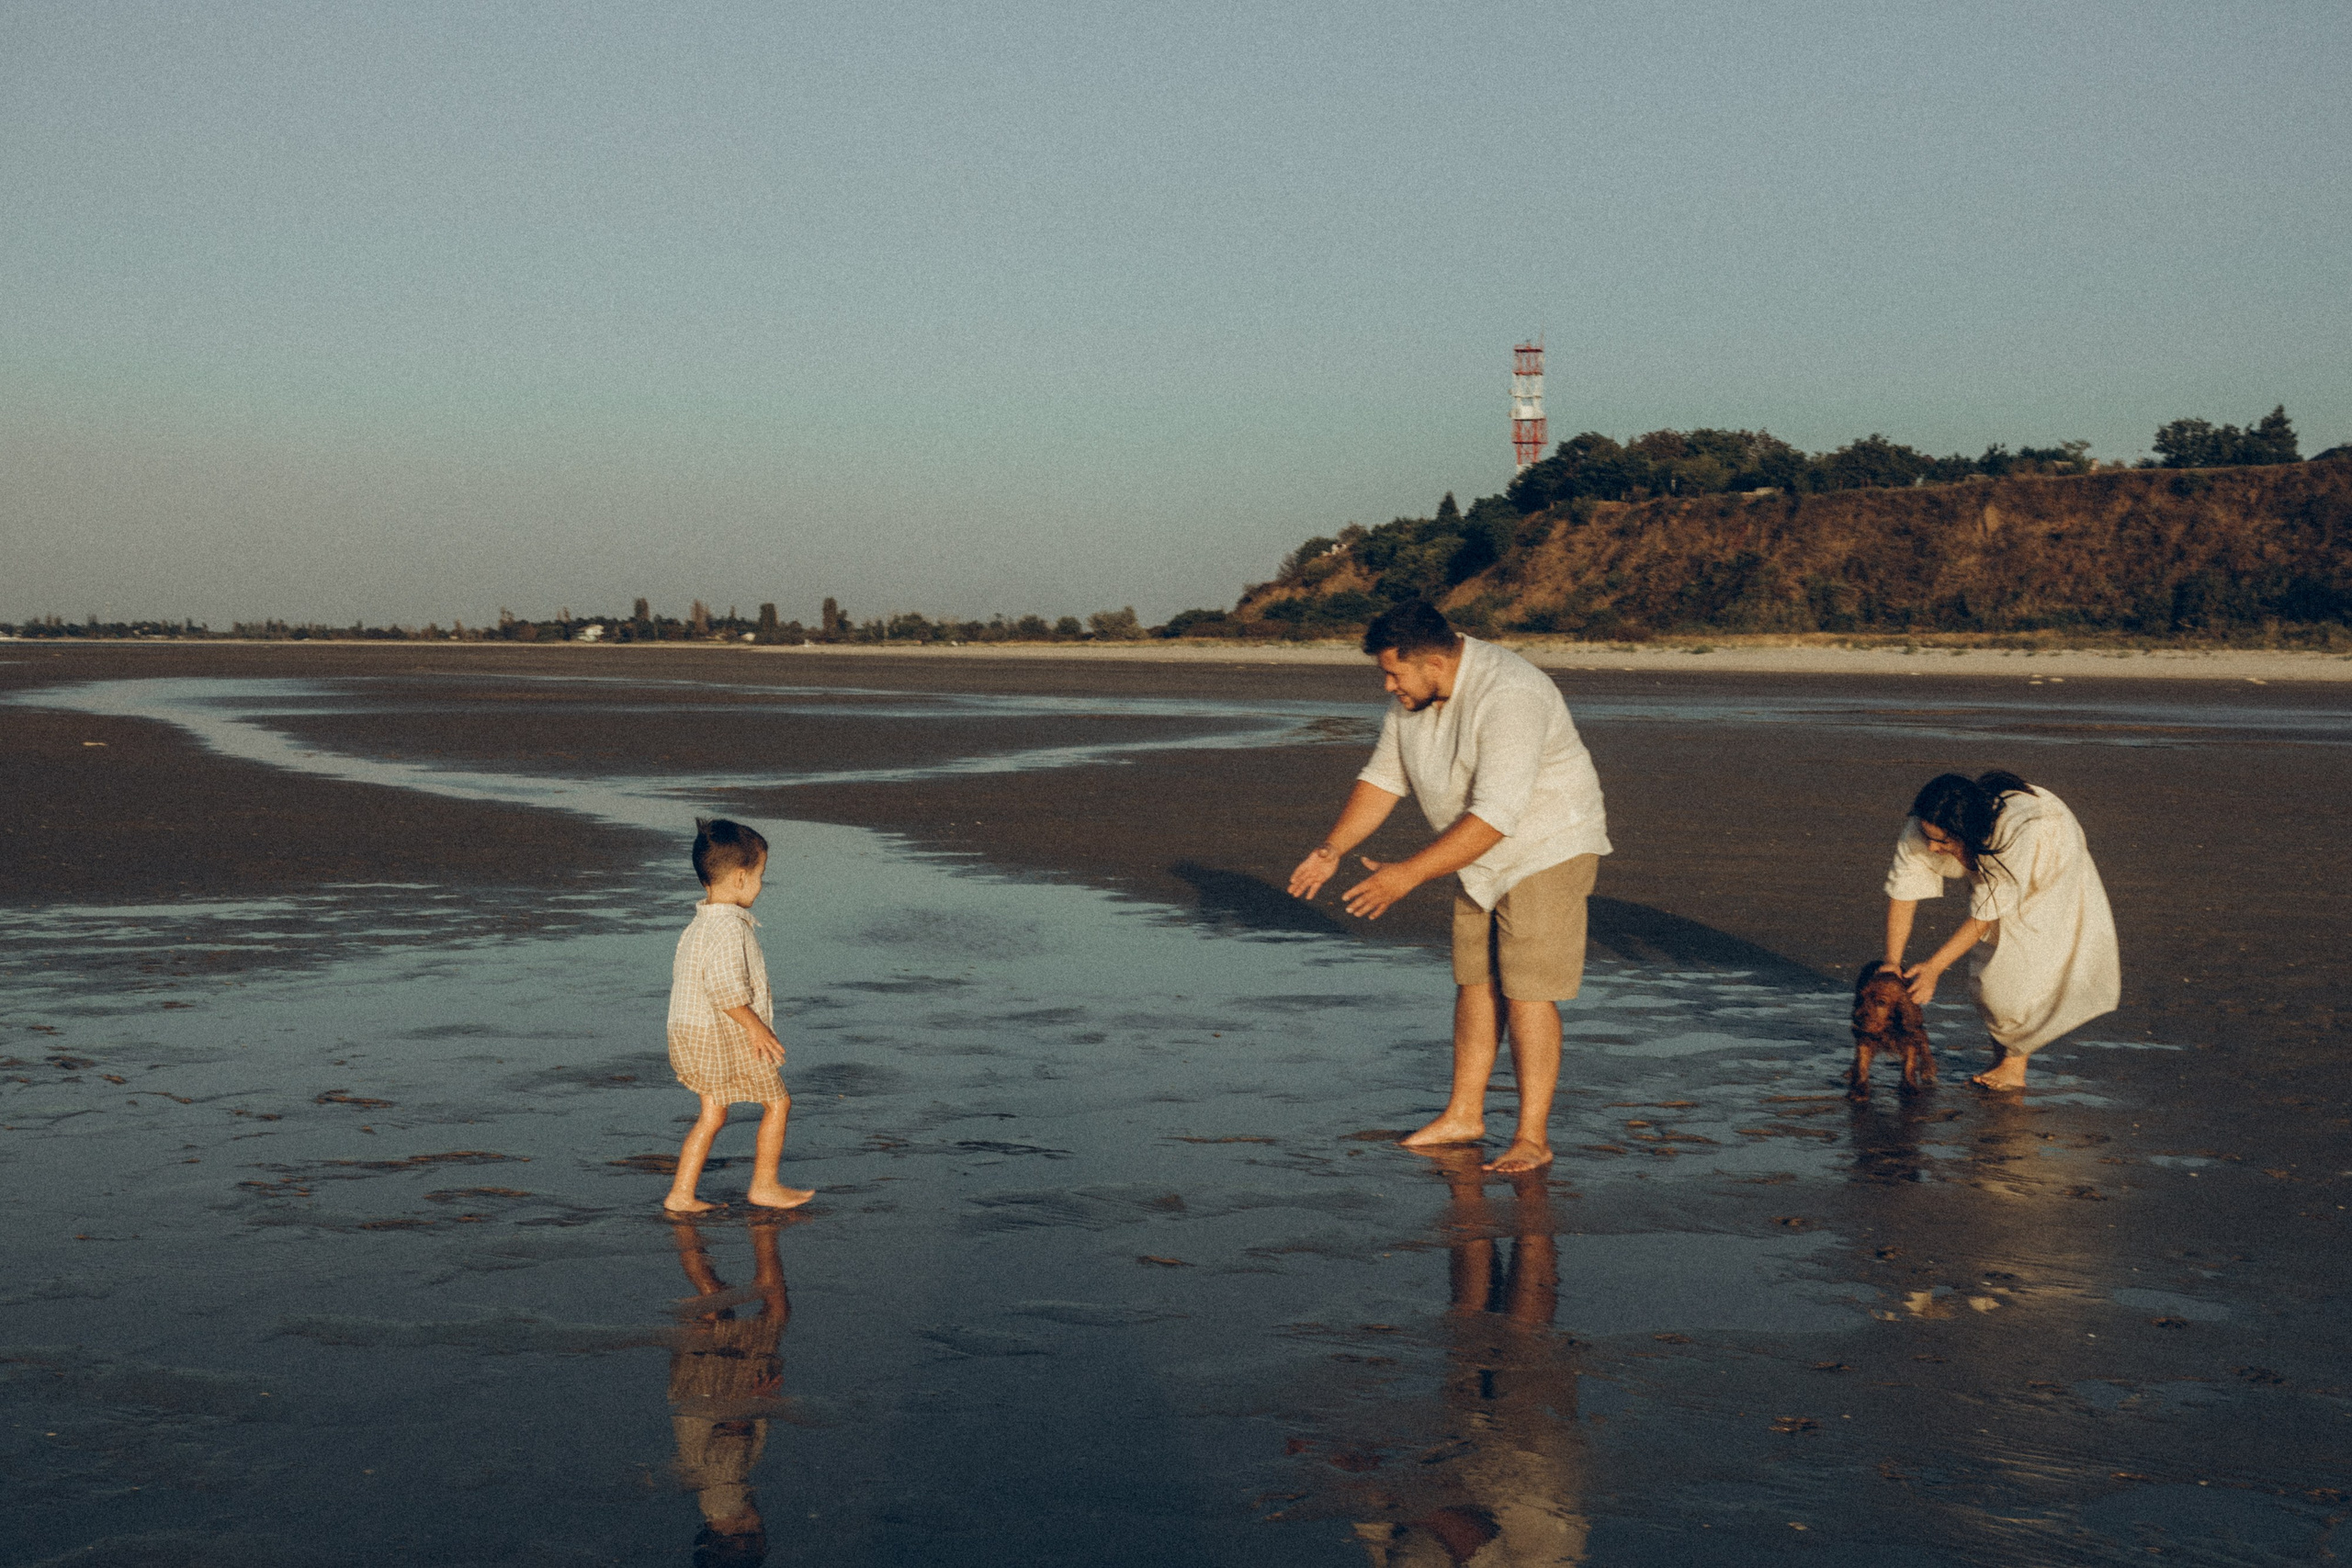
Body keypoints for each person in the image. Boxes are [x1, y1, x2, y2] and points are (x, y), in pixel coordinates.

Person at [1288, 601, 1611, 1173]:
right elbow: (1384, 780)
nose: (1388, 686)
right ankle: (1464, 1113)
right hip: (1473, 853)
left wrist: (1406, 875)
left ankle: (1532, 1136)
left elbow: (1496, 815)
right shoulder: (1416, 696)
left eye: (1394, 673)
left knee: (1528, 990)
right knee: (1475, 982)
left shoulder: (1511, 694)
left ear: (1435, 662)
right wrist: (1331, 849)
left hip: (1548, 843)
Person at [1883, 771, 2119, 1091]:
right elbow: (1903, 893)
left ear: (1965, 832)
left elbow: (1985, 916)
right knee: (1985, 971)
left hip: (2048, 844)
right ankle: (2002, 1059)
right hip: (1992, 852)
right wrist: (1891, 962)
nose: (1932, 847)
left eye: (1943, 841)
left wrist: (1935, 967)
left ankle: (2014, 1066)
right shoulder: (1926, 825)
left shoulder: (2018, 835)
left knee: (2012, 966)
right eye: (1928, 837)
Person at [665, 818, 813, 1212]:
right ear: (742, 877)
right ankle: (764, 1185)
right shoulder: (729, 928)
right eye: (761, 875)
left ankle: (681, 1194)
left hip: (691, 1032)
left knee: (712, 1113)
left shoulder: (699, 924)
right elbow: (724, 989)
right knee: (778, 1104)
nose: (762, 885)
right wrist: (757, 1029)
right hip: (722, 1034)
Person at [667, 1217, 790, 1567]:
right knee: (715, 1302)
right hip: (696, 1392)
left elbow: (730, 1439)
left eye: (759, 1531)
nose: (760, 1520)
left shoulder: (724, 1503)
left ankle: (764, 1229)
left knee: (774, 1312)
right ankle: (684, 1225)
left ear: (740, 1537)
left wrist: (756, 1403)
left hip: (720, 1390)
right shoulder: (709, 1501)